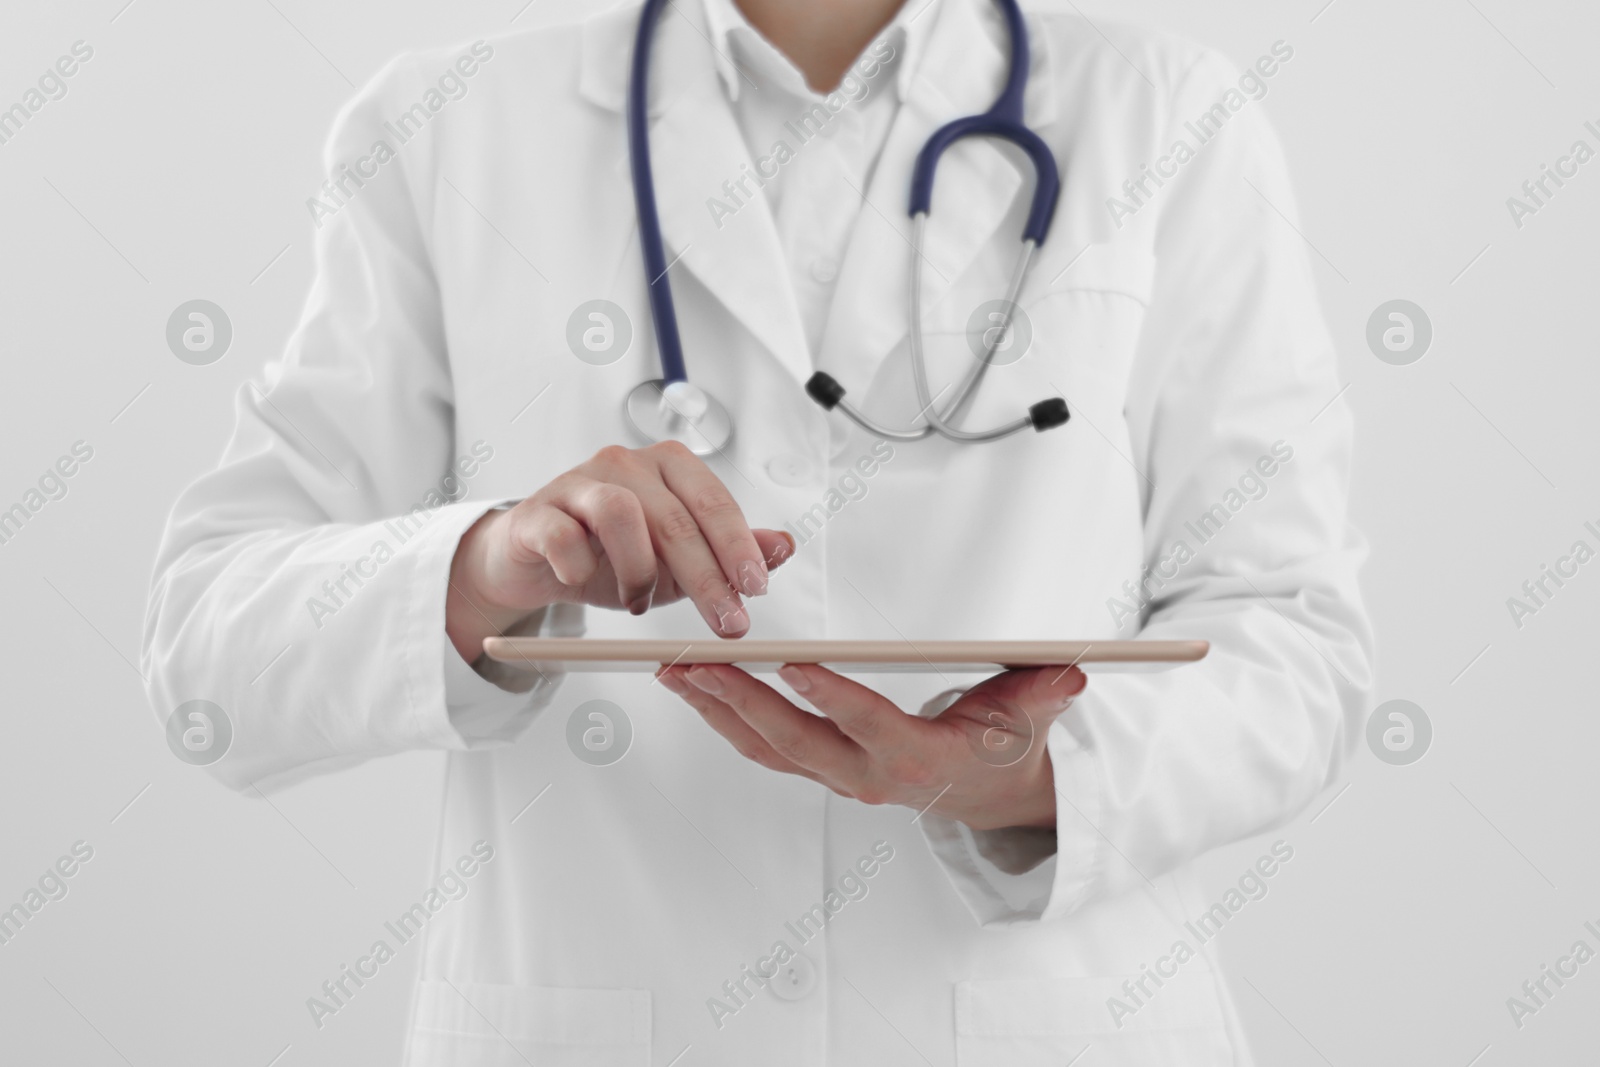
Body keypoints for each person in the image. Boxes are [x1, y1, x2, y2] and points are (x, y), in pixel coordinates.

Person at [143, 0, 1373, 1061]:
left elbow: (1293, 636)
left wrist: (1025, 776)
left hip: (1040, 1018)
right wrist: (488, 565)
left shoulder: (1168, 116)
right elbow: (208, 653)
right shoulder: (445, 126)